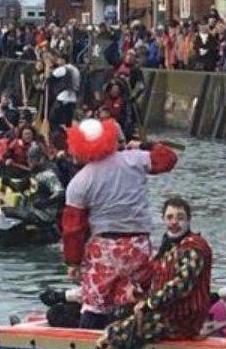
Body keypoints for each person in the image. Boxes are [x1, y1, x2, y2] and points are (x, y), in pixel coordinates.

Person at [42, 196, 212, 349]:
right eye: (170, 217)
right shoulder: (169, 247)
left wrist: (148, 303)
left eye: (180, 217)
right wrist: (139, 294)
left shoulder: (195, 248)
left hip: (181, 317)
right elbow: (154, 280)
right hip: (163, 310)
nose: (174, 222)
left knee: (118, 330)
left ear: (189, 220)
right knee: (114, 315)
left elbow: (180, 286)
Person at [58, 119, 177, 329]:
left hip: (104, 248)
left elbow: (73, 229)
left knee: (94, 303)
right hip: (138, 244)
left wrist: (73, 263)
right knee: (135, 294)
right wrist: (142, 145)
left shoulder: (79, 181)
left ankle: (88, 347)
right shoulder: (135, 159)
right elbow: (168, 158)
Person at [1, 144, 64, 229]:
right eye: (29, 159)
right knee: (5, 210)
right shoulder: (33, 173)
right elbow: (21, 188)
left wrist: (45, 203)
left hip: (44, 214)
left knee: (7, 212)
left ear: (41, 159)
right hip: (31, 210)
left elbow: (60, 193)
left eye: (31, 159)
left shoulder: (49, 174)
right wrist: (9, 183)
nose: (29, 162)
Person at [47, 52, 80, 128]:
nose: (58, 61)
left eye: (59, 59)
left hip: (62, 97)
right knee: (68, 122)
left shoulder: (62, 69)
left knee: (53, 119)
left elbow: (50, 79)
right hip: (73, 98)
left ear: (63, 60)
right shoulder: (76, 70)